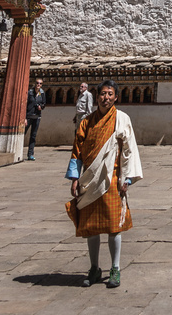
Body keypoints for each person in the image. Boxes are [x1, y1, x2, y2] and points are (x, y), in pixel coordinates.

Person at [65, 79, 143, 289]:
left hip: (113, 179)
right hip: (90, 180)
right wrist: (74, 178)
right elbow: (77, 152)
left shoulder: (121, 119)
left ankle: (115, 268)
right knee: (91, 227)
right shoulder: (86, 123)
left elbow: (129, 150)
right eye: (103, 94)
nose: (106, 98)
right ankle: (94, 267)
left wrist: (127, 178)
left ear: (116, 97)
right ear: (96, 96)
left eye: (110, 94)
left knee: (113, 227)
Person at [25, 77, 46, 161]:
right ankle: (17, 151)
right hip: (28, 116)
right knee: (23, 133)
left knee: (33, 136)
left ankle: (30, 154)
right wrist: (24, 117)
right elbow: (25, 105)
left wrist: (41, 107)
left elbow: (44, 103)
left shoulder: (42, 93)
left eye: (40, 83)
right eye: (37, 83)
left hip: (37, 117)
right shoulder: (29, 93)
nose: (39, 85)